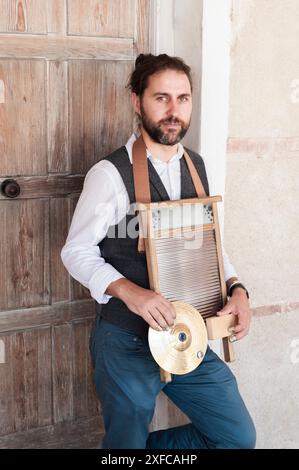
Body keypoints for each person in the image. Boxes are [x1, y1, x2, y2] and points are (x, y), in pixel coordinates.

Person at [61, 53, 256, 449]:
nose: (174, 111)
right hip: (127, 340)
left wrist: (237, 289)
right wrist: (132, 292)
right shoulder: (110, 174)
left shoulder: (197, 167)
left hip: (186, 337)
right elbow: (75, 251)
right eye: (161, 98)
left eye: (182, 99)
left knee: (235, 437)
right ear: (138, 101)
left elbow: (208, 245)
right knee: (127, 443)